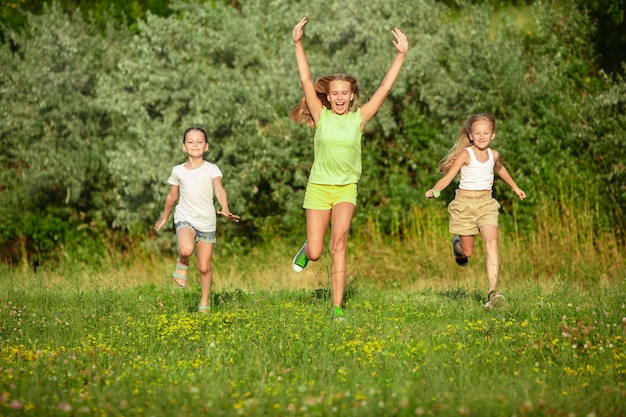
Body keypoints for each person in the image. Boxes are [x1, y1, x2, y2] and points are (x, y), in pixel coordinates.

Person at [289, 17, 409, 320]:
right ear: (328, 97)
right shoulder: (321, 116)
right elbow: (305, 80)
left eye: (345, 93)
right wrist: (298, 43)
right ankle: (307, 247)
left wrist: (401, 55)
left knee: (338, 244)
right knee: (316, 253)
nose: (340, 97)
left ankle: (337, 307)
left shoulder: (360, 118)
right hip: (318, 189)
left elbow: (385, 87)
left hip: (345, 188)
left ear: (352, 96)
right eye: (335, 93)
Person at [425, 113, 526, 309]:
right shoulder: (466, 154)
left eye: (485, 133)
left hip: (486, 203)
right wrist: (436, 190)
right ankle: (457, 246)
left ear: (493, 135)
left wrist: (515, 187)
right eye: (477, 133)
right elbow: (448, 177)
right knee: (468, 251)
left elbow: (500, 169)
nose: (481, 136)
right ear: (470, 135)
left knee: (492, 242)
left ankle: (492, 292)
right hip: (464, 205)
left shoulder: (493, 155)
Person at [154, 126, 239, 313]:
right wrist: (165, 217)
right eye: (190, 142)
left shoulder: (212, 169)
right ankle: (183, 261)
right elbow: (171, 197)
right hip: (185, 217)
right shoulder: (178, 171)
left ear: (206, 146)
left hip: (207, 222)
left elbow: (219, 190)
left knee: (204, 267)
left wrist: (225, 208)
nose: (195, 145)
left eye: (199, 141)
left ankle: (204, 302)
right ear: (184, 146)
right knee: (186, 248)